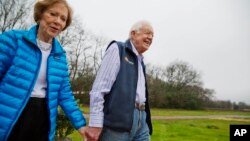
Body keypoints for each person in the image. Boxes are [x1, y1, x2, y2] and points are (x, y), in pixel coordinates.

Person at [0, 0, 87, 140]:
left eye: (63, 19)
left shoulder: (60, 56)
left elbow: (65, 94)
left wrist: (81, 125)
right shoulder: (13, 40)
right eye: (53, 14)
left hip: (42, 118)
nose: (57, 21)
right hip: (12, 115)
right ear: (40, 14)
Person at [85, 20, 154, 141]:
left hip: (142, 121)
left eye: (152, 35)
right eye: (147, 33)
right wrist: (95, 123)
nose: (150, 37)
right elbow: (99, 89)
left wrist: (144, 121)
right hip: (117, 124)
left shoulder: (141, 62)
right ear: (133, 34)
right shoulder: (118, 49)